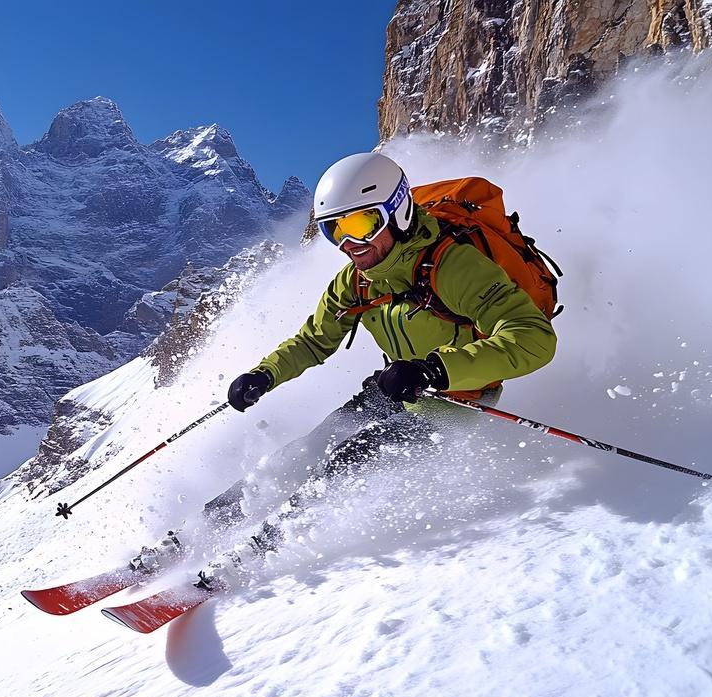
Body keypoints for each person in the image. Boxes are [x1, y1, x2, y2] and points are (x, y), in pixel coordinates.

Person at [188, 152, 558, 588]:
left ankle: (255, 553)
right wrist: (264, 375)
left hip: (455, 397)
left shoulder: (455, 266)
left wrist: (435, 370)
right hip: (394, 386)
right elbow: (314, 340)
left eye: (361, 225)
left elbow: (534, 338)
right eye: (335, 230)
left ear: (398, 211)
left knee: (350, 459)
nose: (350, 243)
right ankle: (196, 533)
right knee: (302, 452)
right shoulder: (358, 279)